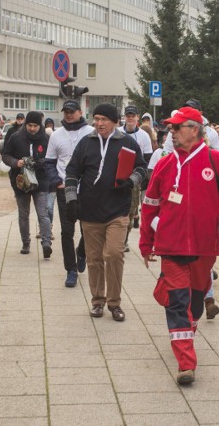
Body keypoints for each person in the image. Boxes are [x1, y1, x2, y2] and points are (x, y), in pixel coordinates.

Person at [139, 106, 219, 385]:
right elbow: (150, 206)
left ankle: (188, 329)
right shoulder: (164, 164)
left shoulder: (217, 161)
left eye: (177, 127)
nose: (171, 132)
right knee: (177, 303)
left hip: (203, 248)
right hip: (171, 247)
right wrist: (145, 241)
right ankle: (186, 363)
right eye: (170, 128)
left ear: (194, 130)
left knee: (195, 305)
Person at [64, 103, 147, 321]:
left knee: (113, 253)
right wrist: (71, 198)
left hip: (117, 210)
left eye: (104, 120)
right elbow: (72, 171)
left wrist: (131, 181)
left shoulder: (127, 143)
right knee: (93, 259)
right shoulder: (86, 143)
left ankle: (115, 302)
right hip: (90, 210)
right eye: (97, 119)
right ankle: (98, 301)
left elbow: (141, 169)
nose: (99, 123)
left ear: (115, 122)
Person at [45, 99, 93, 287]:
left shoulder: (90, 133)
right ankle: (70, 270)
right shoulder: (56, 135)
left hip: (87, 190)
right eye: (66, 111)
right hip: (65, 190)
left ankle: (82, 252)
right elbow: (49, 162)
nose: (69, 114)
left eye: (72, 111)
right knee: (67, 231)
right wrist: (57, 182)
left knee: (87, 229)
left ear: (80, 113)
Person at [1, 111, 52, 258]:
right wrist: (16, 162)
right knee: (23, 214)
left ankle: (46, 243)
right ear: (25, 124)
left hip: (41, 181)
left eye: (35, 126)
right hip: (21, 181)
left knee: (43, 213)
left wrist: (39, 161)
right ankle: (26, 243)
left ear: (39, 125)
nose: (32, 128)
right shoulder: (16, 137)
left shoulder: (46, 139)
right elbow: (5, 155)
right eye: (30, 125)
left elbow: (51, 158)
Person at [120, 105, 153, 240]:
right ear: (125, 117)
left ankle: (125, 238)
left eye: (133, 116)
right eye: (128, 116)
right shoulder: (117, 132)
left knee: (131, 209)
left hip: (134, 179)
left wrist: (140, 178)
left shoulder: (144, 136)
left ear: (137, 117)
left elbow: (147, 158)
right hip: (117, 175)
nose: (130, 118)